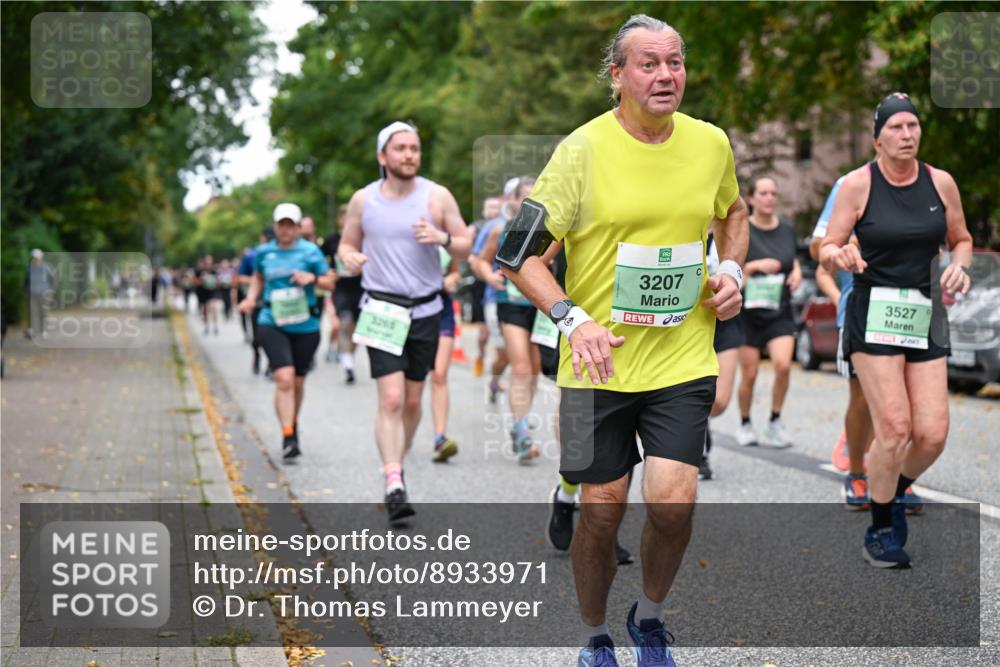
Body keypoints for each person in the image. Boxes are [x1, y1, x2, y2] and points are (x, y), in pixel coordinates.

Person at [496, 16, 747, 666]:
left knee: (673, 500)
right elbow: (516, 253)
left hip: (681, 355)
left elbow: (733, 212)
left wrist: (733, 269)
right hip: (592, 365)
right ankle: (593, 635)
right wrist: (572, 317)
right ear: (617, 76)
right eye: (648, 64)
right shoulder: (580, 152)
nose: (666, 75)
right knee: (600, 512)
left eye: (676, 62)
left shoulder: (711, 143)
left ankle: (650, 617)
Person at [820, 92, 973, 569]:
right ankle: (882, 527)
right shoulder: (857, 185)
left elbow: (962, 238)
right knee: (895, 427)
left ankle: (894, 489)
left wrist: (961, 266)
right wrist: (838, 254)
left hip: (925, 312)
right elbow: (827, 244)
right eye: (896, 128)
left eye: (913, 126)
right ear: (877, 138)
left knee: (931, 434)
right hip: (876, 311)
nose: (907, 135)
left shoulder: (941, 183)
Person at [338, 121, 471, 524]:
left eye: (414, 148)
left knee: (413, 400)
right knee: (392, 399)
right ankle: (393, 479)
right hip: (380, 307)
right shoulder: (364, 201)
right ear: (383, 156)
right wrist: (348, 257)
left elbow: (466, 242)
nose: (410, 154)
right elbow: (347, 242)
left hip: (427, 310)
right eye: (400, 148)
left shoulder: (437, 196)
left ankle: (398, 456)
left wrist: (442, 239)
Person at [238, 203, 334, 460]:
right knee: (284, 378)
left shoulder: (311, 252)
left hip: (306, 324)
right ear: (275, 226)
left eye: (291, 224)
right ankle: (288, 434)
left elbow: (330, 282)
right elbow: (258, 277)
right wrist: (251, 299)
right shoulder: (264, 253)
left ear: (298, 227)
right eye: (282, 224)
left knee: (298, 381)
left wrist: (311, 279)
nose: (286, 229)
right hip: (272, 321)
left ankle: (292, 420)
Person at [810, 174, 874, 510]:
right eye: (895, 128)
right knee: (864, 400)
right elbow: (818, 250)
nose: (905, 136)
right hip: (858, 310)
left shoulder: (927, 183)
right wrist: (837, 296)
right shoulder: (850, 185)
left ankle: (899, 476)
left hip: (907, 308)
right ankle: (858, 471)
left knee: (901, 402)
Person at [479, 176, 543, 463]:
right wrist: (489, 274)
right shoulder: (500, 230)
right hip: (511, 304)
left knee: (534, 370)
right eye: (524, 197)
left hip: (541, 305)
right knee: (520, 366)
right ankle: (521, 432)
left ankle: (522, 420)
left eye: (535, 196)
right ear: (513, 201)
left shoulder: (550, 229)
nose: (529, 202)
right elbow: (480, 260)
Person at [734, 177, 801, 448]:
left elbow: (792, 259)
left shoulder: (786, 229)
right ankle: (745, 422)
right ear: (751, 198)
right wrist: (755, 266)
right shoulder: (742, 229)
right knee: (749, 374)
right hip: (748, 313)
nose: (769, 198)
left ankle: (774, 420)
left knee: (783, 365)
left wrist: (795, 273)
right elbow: (732, 266)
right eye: (763, 193)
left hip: (779, 309)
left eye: (773, 193)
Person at [701, 226, 746, 479]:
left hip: (726, 323)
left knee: (719, 400)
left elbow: (745, 274)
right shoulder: (684, 228)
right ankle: (699, 450)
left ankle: (697, 419)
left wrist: (731, 281)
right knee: (694, 394)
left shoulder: (732, 233)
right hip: (693, 323)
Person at [469, 195, 512, 405]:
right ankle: (492, 374)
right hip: (494, 294)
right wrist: (489, 276)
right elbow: (476, 258)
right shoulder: (494, 227)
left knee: (523, 359)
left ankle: (519, 419)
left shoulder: (541, 223)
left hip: (528, 302)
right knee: (503, 351)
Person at [322, 205, 364, 384]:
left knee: (357, 330)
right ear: (340, 220)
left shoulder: (363, 240)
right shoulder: (331, 241)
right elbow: (320, 262)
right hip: (340, 289)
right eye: (344, 218)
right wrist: (328, 273)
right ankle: (347, 365)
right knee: (344, 323)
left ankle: (349, 358)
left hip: (361, 288)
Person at [428, 247, 461, 462]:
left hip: (442, 309)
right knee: (408, 382)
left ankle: (440, 437)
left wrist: (452, 279)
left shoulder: (448, 237)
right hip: (409, 309)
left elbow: (455, 271)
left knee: (439, 375)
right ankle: (400, 429)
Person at [468, 196, 503, 376]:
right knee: (483, 332)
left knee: (498, 334)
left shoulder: (505, 224)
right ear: (483, 210)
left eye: (496, 207)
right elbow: (472, 256)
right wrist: (485, 273)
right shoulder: (477, 227)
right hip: (481, 283)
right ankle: (480, 354)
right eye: (490, 207)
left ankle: (496, 375)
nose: (493, 211)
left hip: (496, 283)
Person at [24, 249, 57, 339]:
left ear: (41, 258)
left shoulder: (47, 267)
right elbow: (26, 281)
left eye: (37, 258)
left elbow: (53, 279)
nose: (35, 259)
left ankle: (43, 331)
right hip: (32, 294)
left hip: (44, 294)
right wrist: (25, 292)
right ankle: (31, 330)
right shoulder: (29, 268)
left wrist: (52, 291)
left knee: (43, 313)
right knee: (32, 313)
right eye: (34, 257)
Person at [195, 256, 220, 335]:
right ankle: (206, 326)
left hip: (212, 292)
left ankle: (215, 326)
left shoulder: (214, 271)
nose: (208, 265)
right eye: (207, 263)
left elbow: (218, 283)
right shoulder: (199, 272)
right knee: (205, 310)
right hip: (203, 292)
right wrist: (202, 280)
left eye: (210, 263)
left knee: (214, 307)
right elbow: (195, 282)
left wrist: (215, 281)